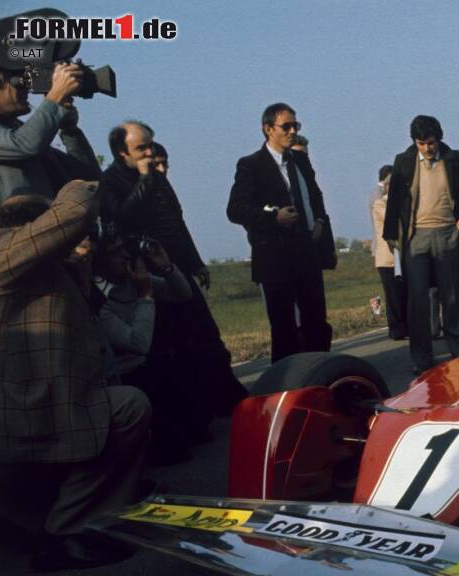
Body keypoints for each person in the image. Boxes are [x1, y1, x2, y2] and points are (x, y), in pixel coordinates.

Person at [0, 182, 151, 571]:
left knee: (121, 408)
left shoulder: (37, 267)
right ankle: (68, 530)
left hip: (51, 397)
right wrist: (81, 185)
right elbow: (75, 212)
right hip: (31, 405)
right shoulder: (3, 246)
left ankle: (90, 516)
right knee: (128, 410)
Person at [100, 129, 247, 415]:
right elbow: (125, 217)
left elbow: (176, 222)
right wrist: (144, 180)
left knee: (205, 334)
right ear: (122, 152)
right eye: (141, 148)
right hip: (147, 273)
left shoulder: (156, 178)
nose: (148, 153)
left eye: (150, 146)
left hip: (175, 267)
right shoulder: (111, 182)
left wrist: (195, 262)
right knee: (172, 344)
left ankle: (228, 401)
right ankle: (195, 411)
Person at [227, 103, 337, 363]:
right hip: (275, 258)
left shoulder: (300, 159)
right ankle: (287, 386)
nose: (292, 131)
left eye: (295, 126)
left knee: (316, 323)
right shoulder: (251, 165)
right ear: (268, 129)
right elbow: (235, 210)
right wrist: (272, 217)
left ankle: (319, 376)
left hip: (306, 253)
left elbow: (315, 194)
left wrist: (319, 220)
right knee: (285, 329)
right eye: (286, 126)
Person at [95, 235, 206, 464]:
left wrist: (166, 266)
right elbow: (138, 343)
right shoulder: (98, 298)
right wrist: (145, 296)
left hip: (151, 368)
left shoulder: (132, 281)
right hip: (127, 378)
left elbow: (183, 294)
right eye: (115, 252)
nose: (124, 256)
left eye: (123, 249)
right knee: (172, 449)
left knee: (199, 428)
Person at [383, 115, 459, 373]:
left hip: (448, 232)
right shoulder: (403, 162)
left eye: (431, 143)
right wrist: (390, 233)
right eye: (421, 143)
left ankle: (457, 351)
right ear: (415, 142)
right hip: (416, 237)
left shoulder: (456, 160)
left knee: (450, 295)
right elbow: (394, 200)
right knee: (417, 299)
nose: (427, 148)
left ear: (439, 139)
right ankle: (421, 358)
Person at [0, 61, 100, 206]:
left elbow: (87, 178)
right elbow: (24, 144)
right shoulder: (26, 140)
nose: (27, 89)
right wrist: (56, 96)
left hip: (42, 225)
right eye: (19, 82)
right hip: (7, 227)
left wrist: (70, 131)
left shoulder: (29, 134)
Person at [370, 164, 406, 339]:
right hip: (386, 257)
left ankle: (406, 325)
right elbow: (392, 219)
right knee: (392, 294)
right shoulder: (379, 203)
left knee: (402, 292)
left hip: (400, 255)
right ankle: (396, 328)